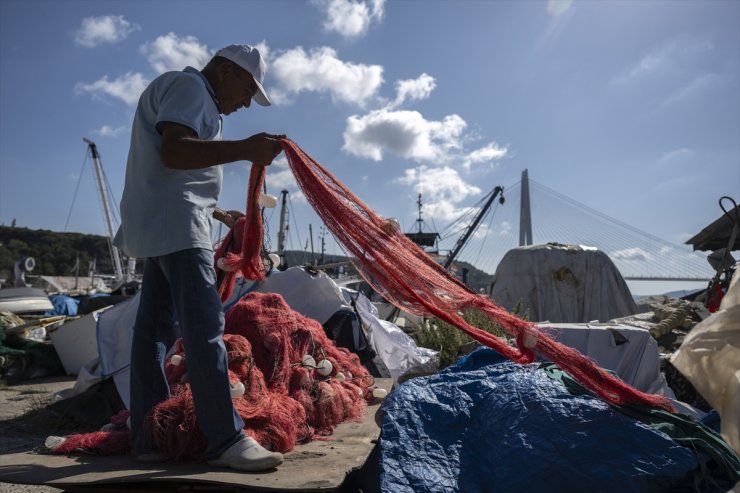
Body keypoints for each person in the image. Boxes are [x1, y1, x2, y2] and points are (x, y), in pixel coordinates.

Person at [113, 44, 284, 472]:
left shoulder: (188, 92)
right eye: (247, 90)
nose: (246, 103)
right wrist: (246, 148)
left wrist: (220, 211)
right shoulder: (192, 87)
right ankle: (225, 440)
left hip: (159, 223)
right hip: (178, 227)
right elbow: (175, 151)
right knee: (206, 328)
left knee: (153, 329)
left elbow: (171, 167)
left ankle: (150, 436)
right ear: (225, 71)